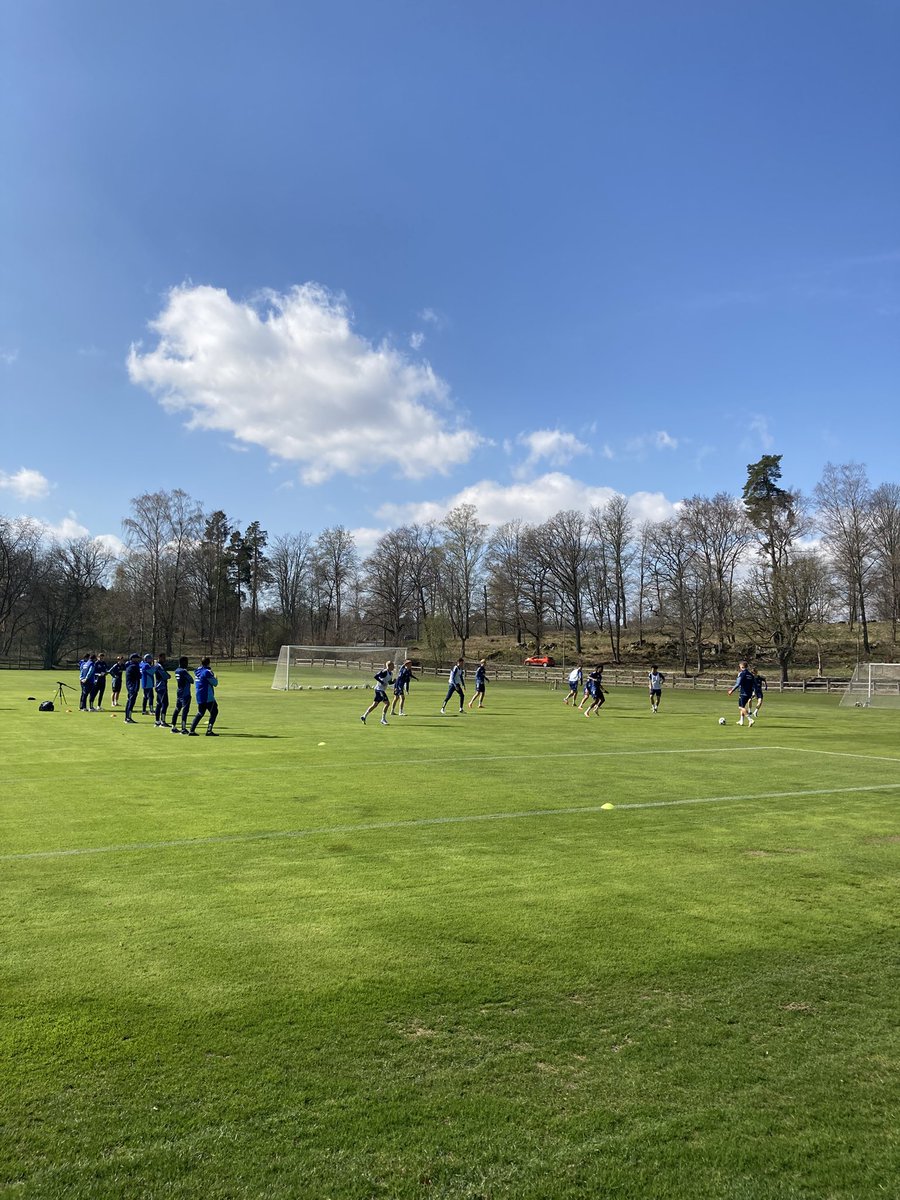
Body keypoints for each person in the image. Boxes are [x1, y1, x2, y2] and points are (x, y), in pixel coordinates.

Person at [189, 657, 219, 736]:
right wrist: (216, 678)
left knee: (200, 713)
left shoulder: (197, 671)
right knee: (214, 712)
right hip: (208, 696)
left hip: (199, 695)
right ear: (209, 663)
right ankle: (209, 731)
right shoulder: (207, 672)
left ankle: (191, 730)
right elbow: (215, 683)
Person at [361, 660, 394, 725]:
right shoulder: (384, 671)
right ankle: (383, 719)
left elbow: (389, 683)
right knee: (387, 703)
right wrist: (381, 682)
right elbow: (375, 676)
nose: (394, 667)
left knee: (375, 705)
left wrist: (393, 681)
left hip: (381, 690)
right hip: (379, 690)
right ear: (389, 666)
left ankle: (364, 716)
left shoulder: (391, 674)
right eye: (392, 665)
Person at [728, 661, 756, 727]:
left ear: (741, 666)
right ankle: (741, 721)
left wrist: (731, 690)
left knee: (740, 707)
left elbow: (738, 684)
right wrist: (754, 692)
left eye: (740, 666)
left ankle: (750, 719)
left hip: (743, 693)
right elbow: (754, 685)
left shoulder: (742, 673)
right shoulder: (751, 675)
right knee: (743, 706)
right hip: (749, 693)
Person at [171, 656, 192, 734]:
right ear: (183, 662)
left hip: (179, 691)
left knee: (177, 709)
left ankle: (173, 726)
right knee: (185, 710)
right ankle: (183, 728)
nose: (187, 664)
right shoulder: (183, 671)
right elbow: (191, 680)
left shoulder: (177, 670)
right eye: (186, 662)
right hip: (185, 692)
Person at [123, 654, 142, 723]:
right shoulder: (134, 667)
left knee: (129, 701)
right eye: (137, 658)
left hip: (130, 686)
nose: (138, 660)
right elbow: (139, 676)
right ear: (133, 659)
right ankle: (128, 718)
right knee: (131, 702)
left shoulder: (129, 666)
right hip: (133, 686)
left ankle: (127, 717)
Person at [154, 653, 171, 727]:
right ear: (159, 657)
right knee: (165, 703)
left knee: (159, 703)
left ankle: (157, 721)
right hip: (162, 686)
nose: (165, 659)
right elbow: (164, 675)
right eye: (163, 658)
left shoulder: (157, 665)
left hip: (159, 686)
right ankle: (162, 721)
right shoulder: (159, 665)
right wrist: (168, 676)